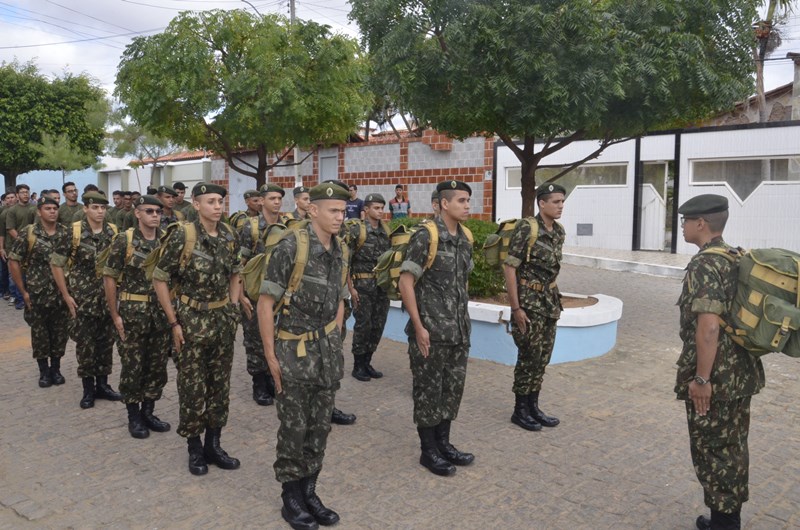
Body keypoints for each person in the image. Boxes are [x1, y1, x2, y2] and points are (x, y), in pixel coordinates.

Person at [258, 181, 350, 529]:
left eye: (343, 211)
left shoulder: (339, 249)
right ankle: (291, 497)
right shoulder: (290, 247)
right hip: (293, 353)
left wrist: (336, 334)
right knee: (294, 428)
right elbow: (265, 304)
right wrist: (270, 355)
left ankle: (310, 491)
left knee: (319, 427)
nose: (340, 218)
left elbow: (340, 295)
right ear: (312, 209)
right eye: (333, 211)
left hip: (327, 353)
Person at [675, 194, 765, 530]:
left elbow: (709, 326)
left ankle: (725, 524)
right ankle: (725, 519)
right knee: (732, 445)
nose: (682, 225)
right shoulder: (735, 255)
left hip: (718, 377)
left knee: (714, 451)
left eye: (686, 220)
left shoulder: (704, 264)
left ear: (701, 224)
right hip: (742, 372)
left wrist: (701, 380)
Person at [153, 183, 242, 476]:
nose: (217, 206)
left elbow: (236, 273)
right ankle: (194, 448)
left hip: (221, 322)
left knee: (220, 387)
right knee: (193, 388)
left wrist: (231, 307)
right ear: (196, 203)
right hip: (191, 321)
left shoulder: (229, 235)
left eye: (220, 201)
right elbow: (160, 278)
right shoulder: (183, 234)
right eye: (211, 201)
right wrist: (173, 322)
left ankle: (213, 445)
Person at [398, 179, 474, 477]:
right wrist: (419, 327)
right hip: (430, 332)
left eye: (468, 201)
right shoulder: (425, 236)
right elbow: (406, 282)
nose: (467, 206)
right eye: (461, 201)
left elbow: (461, 285)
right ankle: (428, 451)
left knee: (451, 391)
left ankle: (444, 444)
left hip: (458, 332)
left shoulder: (465, 238)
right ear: (444, 203)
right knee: (428, 392)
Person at [103, 195, 172, 439]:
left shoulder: (167, 240)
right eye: (150, 211)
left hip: (160, 316)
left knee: (156, 367)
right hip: (133, 315)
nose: (155, 215)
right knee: (133, 367)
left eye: (158, 211)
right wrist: (115, 314)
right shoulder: (125, 240)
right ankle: (134, 416)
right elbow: (109, 277)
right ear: (138, 214)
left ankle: (149, 411)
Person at [51, 191, 123, 409]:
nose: (100, 212)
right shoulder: (73, 233)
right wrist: (66, 295)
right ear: (86, 209)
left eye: (103, 208)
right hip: (82, 299)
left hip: (108, 299)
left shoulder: (113, 232)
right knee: (85, 345)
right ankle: (88, 389)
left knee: (105, 343)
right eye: (95, 208)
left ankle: (103, 385)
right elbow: (56, 263)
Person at [503, 183, 566, 432]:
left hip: (549, 303)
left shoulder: (559, 232)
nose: (560, 206)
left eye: (562, 202)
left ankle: (533, 406)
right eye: (556, 201)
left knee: (543, 357)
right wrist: (516, 308)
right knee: (529, 356)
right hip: (528, 304)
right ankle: (520, 410)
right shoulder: (527, 228)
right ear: (542, 203)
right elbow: (510, 268)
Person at [8, 197, 70, 388]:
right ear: (39, 211)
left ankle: (56, 369)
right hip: (37, 294)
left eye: (55, 208)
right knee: (40, 334)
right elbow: (13, 260)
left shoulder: (66, 233)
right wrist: (23, 291)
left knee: (60, 333)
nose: (52, 211)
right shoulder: (29, 233)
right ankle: (44, 371)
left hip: (60, 295)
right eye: (48, 208)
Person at [238, 185, 284, 407]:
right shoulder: (251, 228)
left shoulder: (288, 226)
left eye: (279, 198)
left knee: (277, 338)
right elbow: (240, 263)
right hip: (255, 293)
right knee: (255, 339)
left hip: (279, 295)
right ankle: (259, 384)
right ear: (262, 201)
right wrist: (240, 295)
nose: (276, 202)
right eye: (272, 198)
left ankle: (272, 378)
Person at [347, 193, 390, 382]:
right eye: (376, 208)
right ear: (366, 210)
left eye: (382, 208)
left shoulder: (386, 232)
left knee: (377, 326)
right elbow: (346, 261)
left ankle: (368, 361)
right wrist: (351, 288)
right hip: (362, 287)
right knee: (363, 326)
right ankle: (358, 365)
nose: (380, 211)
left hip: (381, 287)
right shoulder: (358, 231)